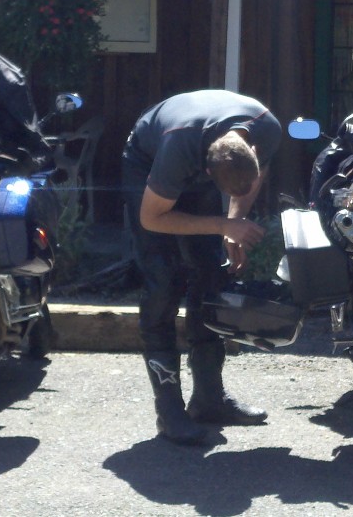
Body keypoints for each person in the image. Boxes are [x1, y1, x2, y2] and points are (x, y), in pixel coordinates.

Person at [122, 90, 280, 445]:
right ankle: (169, 412)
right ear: (207, 171)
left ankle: (209, 401)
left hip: (202, 155)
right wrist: (222, 225)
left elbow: (253, 178)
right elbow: (152, 218)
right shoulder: (179, 151)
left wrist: (234, 222)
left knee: (210, 274)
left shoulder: (266, 128)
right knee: (163, 282)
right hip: (148, 163)